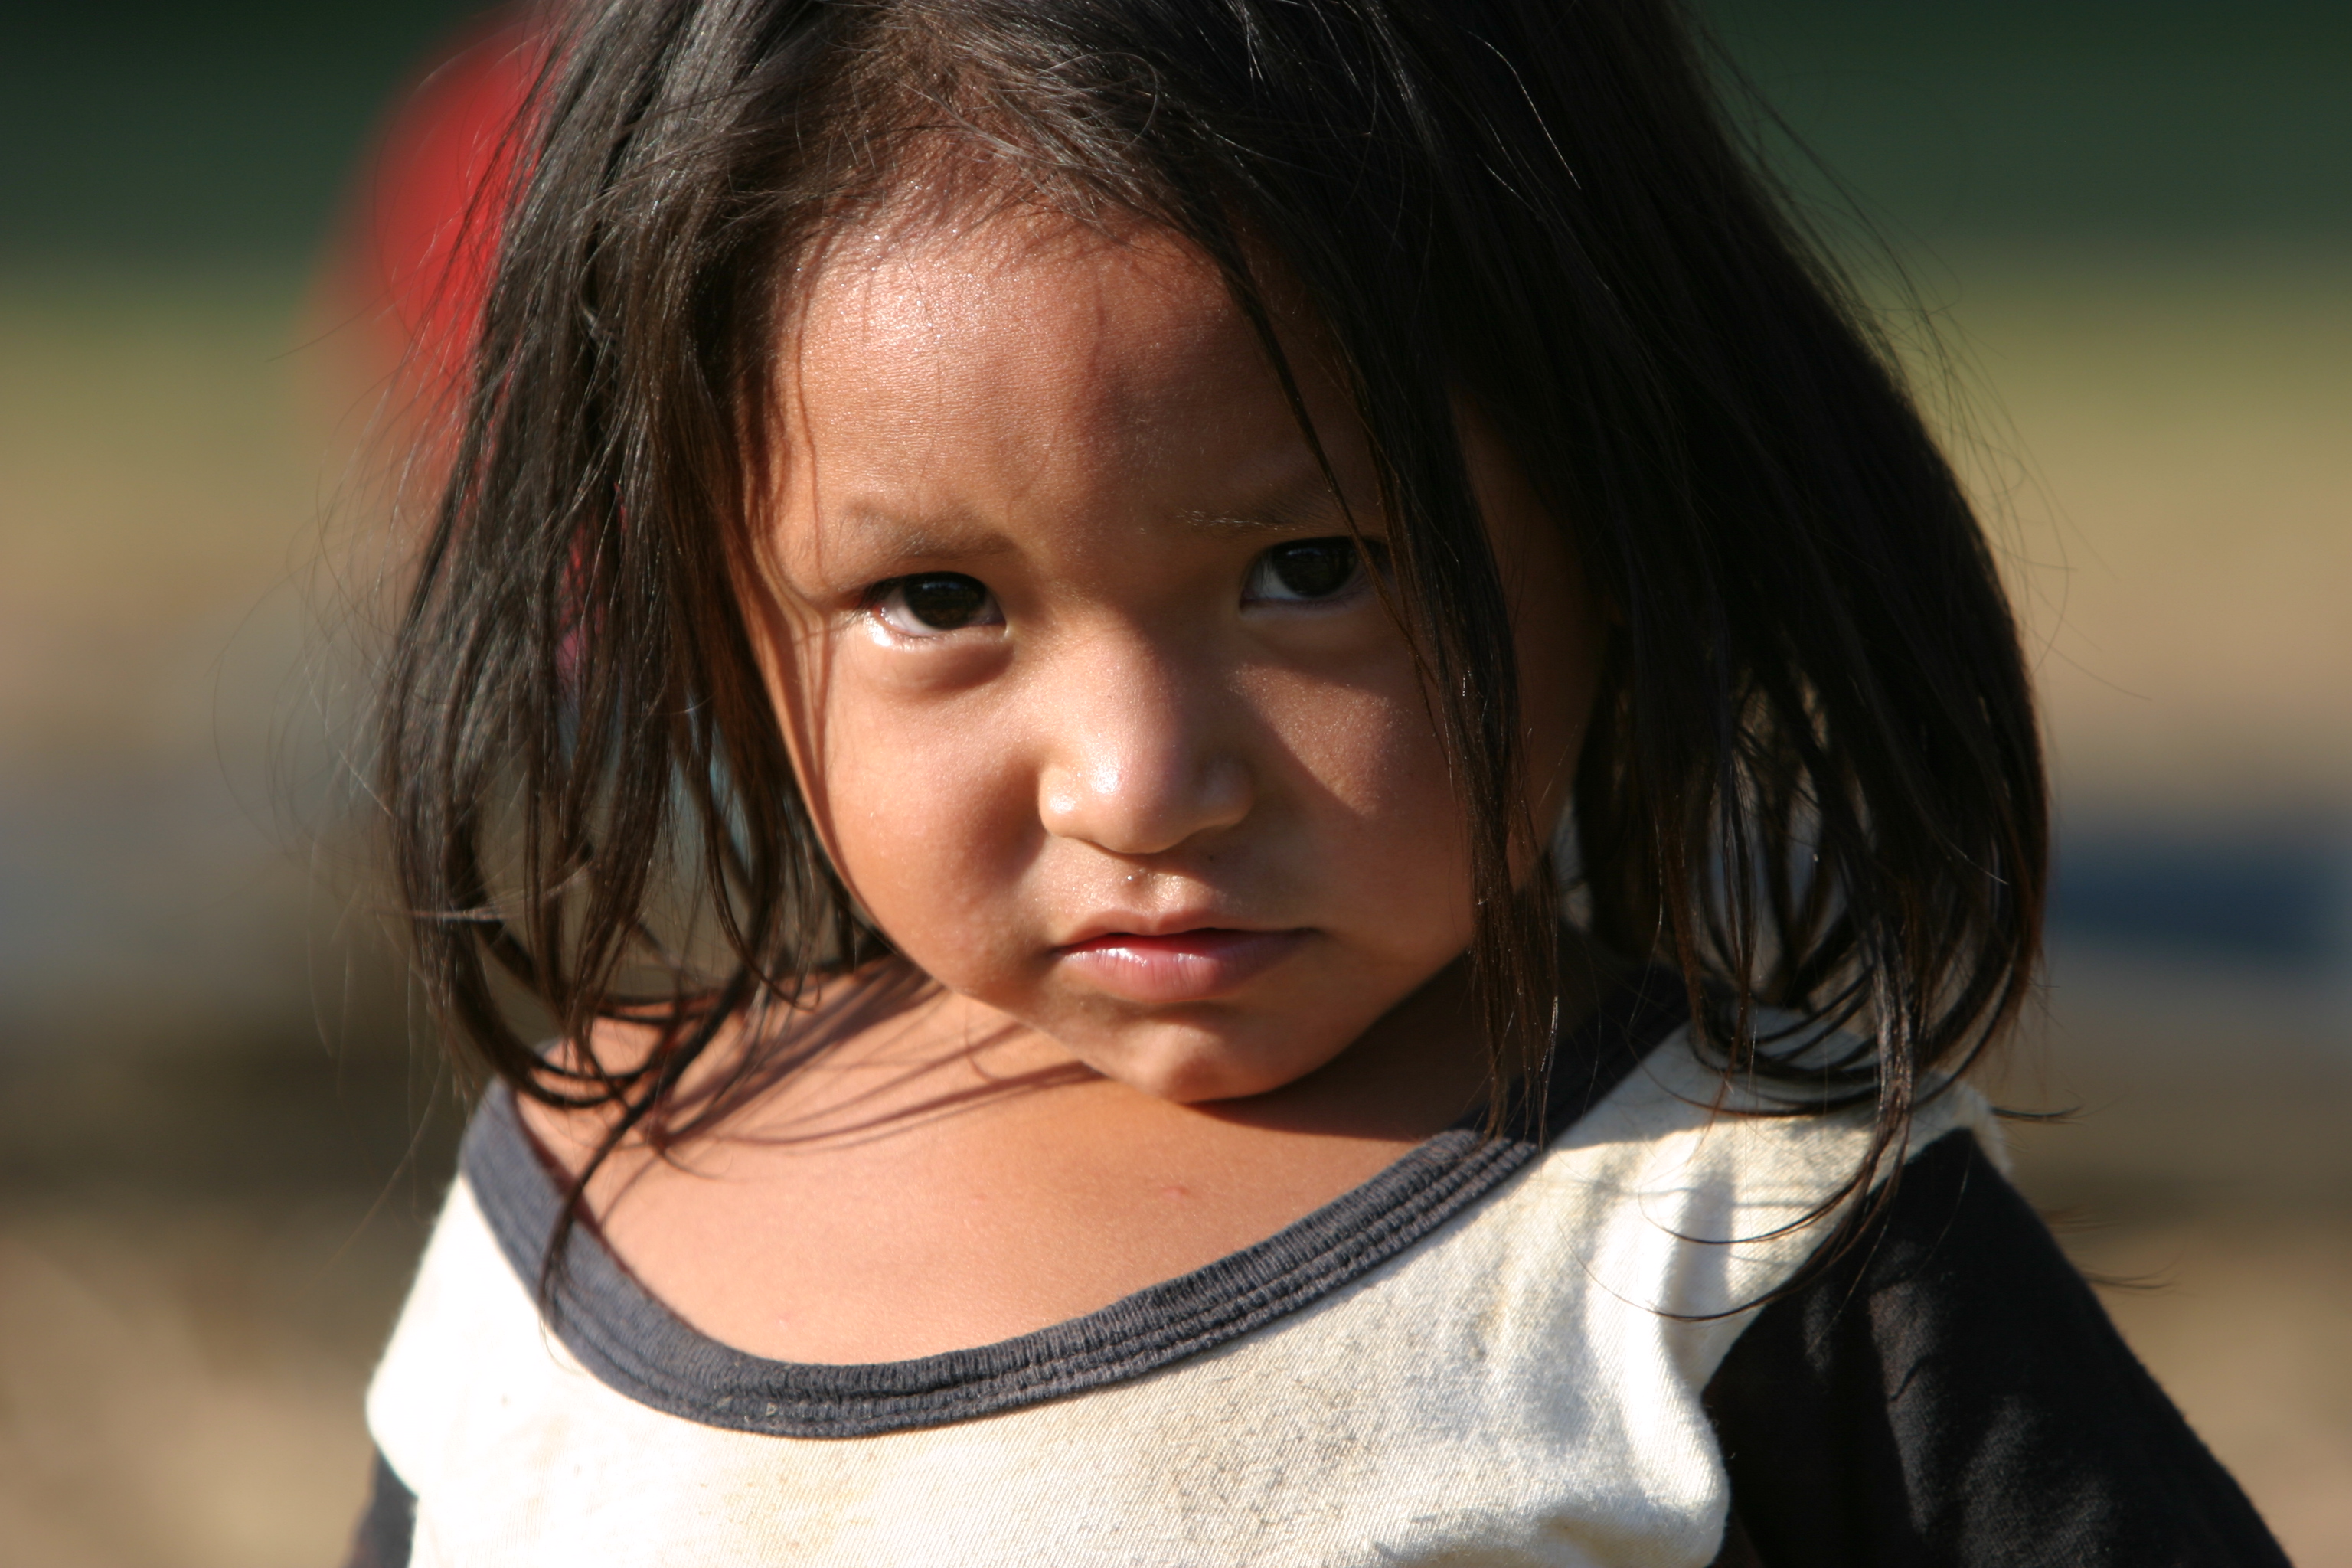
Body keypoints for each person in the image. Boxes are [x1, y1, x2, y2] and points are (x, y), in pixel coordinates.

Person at [346, 2, 2287, 1563]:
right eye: (932, 598)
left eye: (1312, 571)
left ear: (1625, 526)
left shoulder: (1739, 1237)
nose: (1140, 784)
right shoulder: (571, 1211)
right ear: (720, 595)